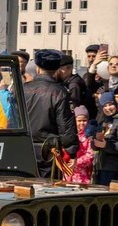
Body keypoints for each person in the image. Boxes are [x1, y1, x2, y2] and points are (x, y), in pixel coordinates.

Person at [24, 49, 77, 177]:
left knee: (23, 187)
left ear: (37, 68)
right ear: (57, 69)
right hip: (48, 150)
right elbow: (66, 126)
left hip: (24, 146)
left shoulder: (24, 88)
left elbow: (13, 118)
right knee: (47, 189)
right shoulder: (60, 92)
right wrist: (72, 152)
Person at [92, 91, 118, 185]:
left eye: (110, 104)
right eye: (105, 106)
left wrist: (106, 145)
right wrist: (95, 142)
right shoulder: (102, 122)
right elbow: (94, 145)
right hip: (99, 165)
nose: (108, 108)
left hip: (113, 167)